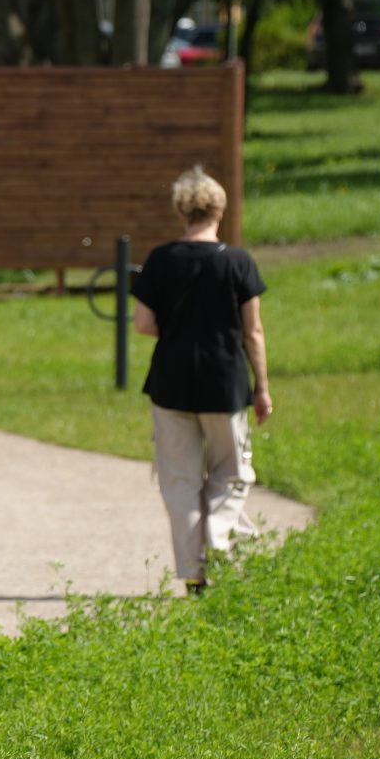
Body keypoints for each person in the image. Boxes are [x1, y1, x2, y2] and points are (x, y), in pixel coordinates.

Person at [131, 167, 271, 595]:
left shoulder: (160, 260)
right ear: (221, 210)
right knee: (231, 472)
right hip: (224, 383)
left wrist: (178, 330)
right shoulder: (237, 262)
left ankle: (194, 575)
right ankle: (218, 535)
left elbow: (143, 323)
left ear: (180, 212)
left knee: (179, 480)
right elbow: (253, 332)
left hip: (170, 384)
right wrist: (262, 387)